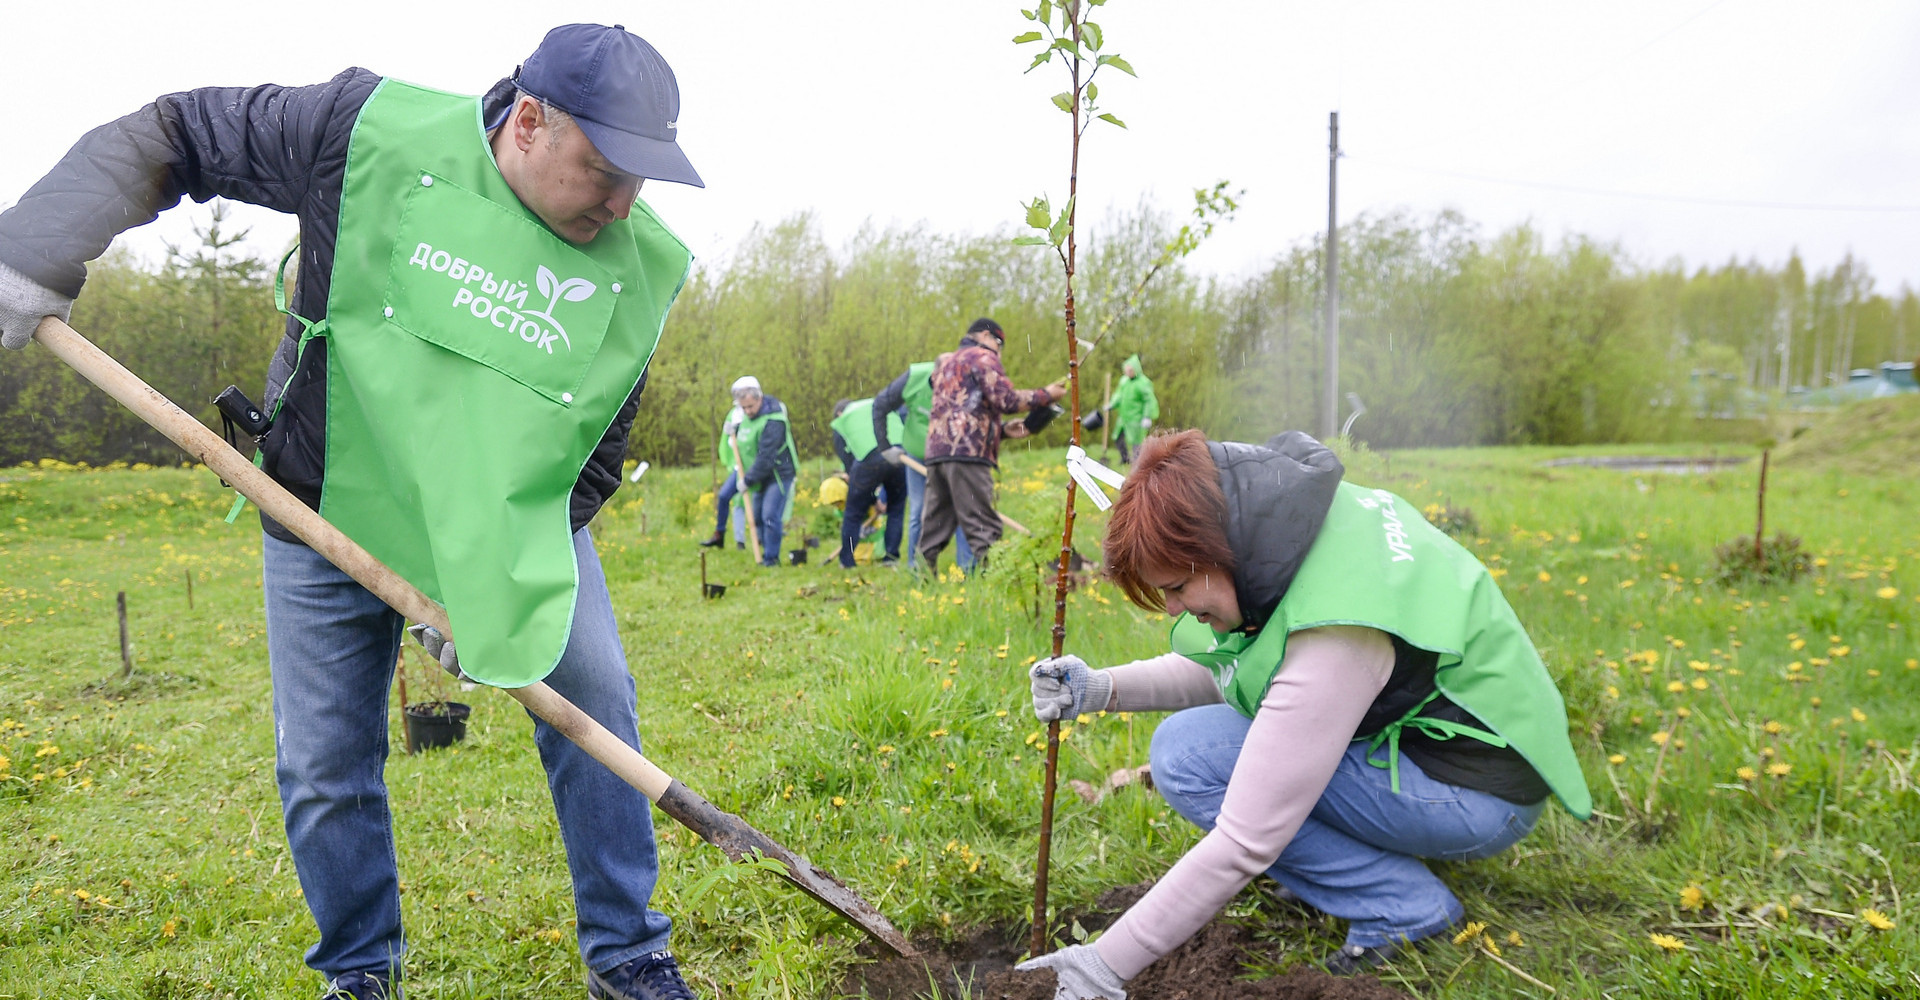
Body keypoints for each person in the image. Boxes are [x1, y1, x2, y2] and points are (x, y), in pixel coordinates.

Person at [0, 24, 707, 1000]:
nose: (624, 200)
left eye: (643, 178)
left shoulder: (635, 267)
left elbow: (586, 468)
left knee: (597, 700)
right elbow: (172, 132)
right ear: (531, 123)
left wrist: (490, 588)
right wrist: (36, 246)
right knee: (324, 763)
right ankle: (360, 972)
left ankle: (628, 953)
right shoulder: (363, 134)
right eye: (603, 168)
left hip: (498, 525)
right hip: (320, 500)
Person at [1018, 429, 1591, 999]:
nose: (1172, 608)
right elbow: (1242, 668)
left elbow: (1245, 840)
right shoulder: (1292, 532)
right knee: (1190, 748)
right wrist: (1101, 688)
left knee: (1190, 760)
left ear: (1220, 549)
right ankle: (1345, 868)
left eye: (1177, 587)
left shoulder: (1337, 632)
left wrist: (1104, 965)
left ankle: (1400, 904)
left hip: (1477, 796)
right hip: (1448, 751)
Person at [916, 318, 1064, 571]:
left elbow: (962, 411)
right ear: (985, 336)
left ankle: (920, 584)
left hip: (938, 454)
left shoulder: (946, 362)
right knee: (984, 528)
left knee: (935, 527)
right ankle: (993, 589)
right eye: (999, 344)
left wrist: (1002, 431)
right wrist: (1046, 395)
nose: (999, 352)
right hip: (968, 457)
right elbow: (1005, 400)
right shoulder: (982, 357)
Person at [869, 354, 972, 570]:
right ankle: (916, 567)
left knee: (962, 508)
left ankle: (968, 570)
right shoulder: (913, 378)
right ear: (935, 374)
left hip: (951, 455)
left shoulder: (965, 385)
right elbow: (880, 405)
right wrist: (885, 447)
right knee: (919, 511)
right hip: (917, 453)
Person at [729, 376, 799, 568]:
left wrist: (747, 480)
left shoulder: (774, 421)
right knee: (758, 516)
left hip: (778, 473)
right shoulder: (748, 417)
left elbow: (765, 458)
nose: (747, 411)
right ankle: (763, 548)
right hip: (759, 475)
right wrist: (734, 430)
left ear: (760, 399)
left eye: (750, 407)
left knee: (770, 515)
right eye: (743, 408)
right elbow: (746, 444)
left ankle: (771, 558)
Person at [829, 396, 907, 567]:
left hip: (870, 457)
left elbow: (850, 466)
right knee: (896, 510)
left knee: (853, 513)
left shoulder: (843, 421)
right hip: (901, 454)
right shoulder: (875, 404)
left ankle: (847, 561)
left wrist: (871, 500)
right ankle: (891, 558)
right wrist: (877, 499)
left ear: (839, 413)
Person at [700, 379, 758, 551]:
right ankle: (719, 535)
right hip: (739, 466)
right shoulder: (734, 413)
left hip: (755, 466)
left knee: (756, 503)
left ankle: (759, 539)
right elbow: (728, 443)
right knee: (724, 496)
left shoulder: (758, 412)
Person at [1104, 353, 1159, 465]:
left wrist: (1147, 417)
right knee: (1117, 437)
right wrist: (1111, 404)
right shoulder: (1124, 381)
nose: (1128, 372)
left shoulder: (1144, 383)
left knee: (1137, 442)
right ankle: (1124, 458)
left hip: (1136, 418)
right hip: (1124, 417)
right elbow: (1119, 395)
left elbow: (1149, 401)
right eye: (1127, 370)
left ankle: (1137, 464)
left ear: (1136, 369)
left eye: (1131, 370)